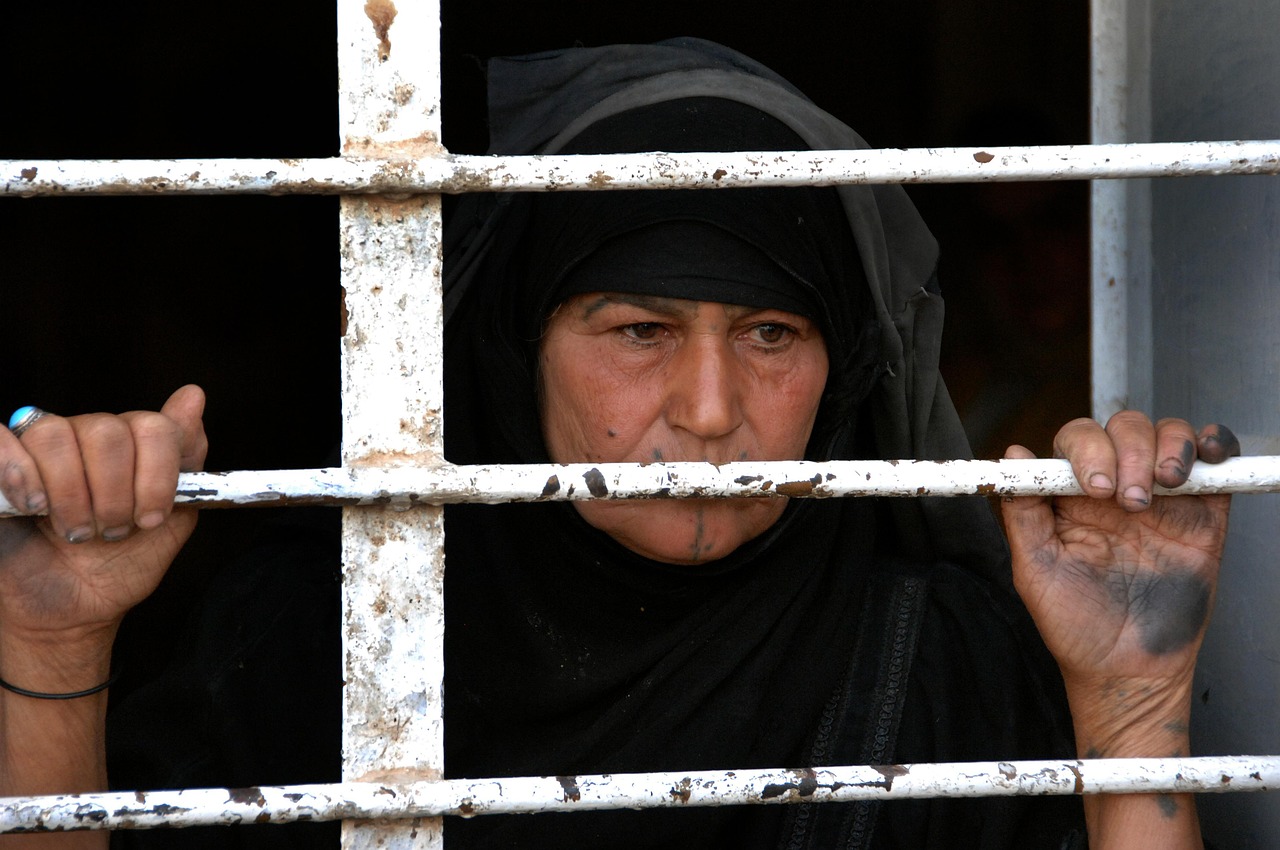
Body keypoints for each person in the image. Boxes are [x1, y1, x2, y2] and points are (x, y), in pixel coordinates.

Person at [0, 38, 1237, 849]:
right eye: (639, 328)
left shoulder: (935, 658)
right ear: (510, 353)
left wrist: (1129, 705)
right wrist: (51, 641)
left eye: (769, 331)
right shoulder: (318, 636)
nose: (707, 408)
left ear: (839, 367)